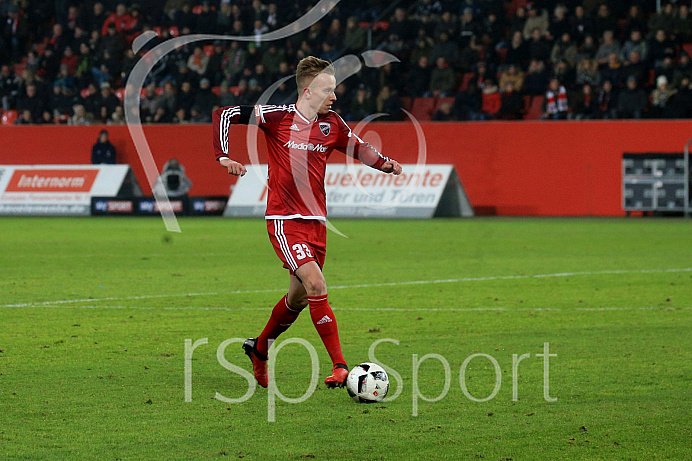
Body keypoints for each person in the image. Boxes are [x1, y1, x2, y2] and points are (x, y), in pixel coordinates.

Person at [212, 56, 402, 389]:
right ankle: (341, 367)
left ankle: (259, 349)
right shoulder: (278, 117)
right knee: (317, 286)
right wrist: (224, 155)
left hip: (316, 223)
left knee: (298, 300)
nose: (334, 96)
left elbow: (358, 147)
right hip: (285, 220)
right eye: (329, 90)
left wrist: (385, 164)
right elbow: (224, 114)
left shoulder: (333, 124)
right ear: (308, 90)